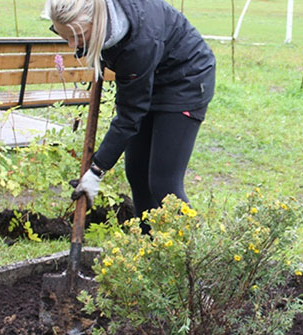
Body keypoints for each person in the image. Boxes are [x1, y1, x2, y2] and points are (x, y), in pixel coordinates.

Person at [48, 0, 215, 227]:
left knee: (163, 184)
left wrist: (96, 170)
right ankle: (148, 248)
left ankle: (197, 251)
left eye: (77, 36)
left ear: (97, 23)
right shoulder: (98, 14)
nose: (71, 45)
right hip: (150, 74)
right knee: (136, 173)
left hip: (185, 80)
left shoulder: (138, 43)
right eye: (63, 35)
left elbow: (130, 114)